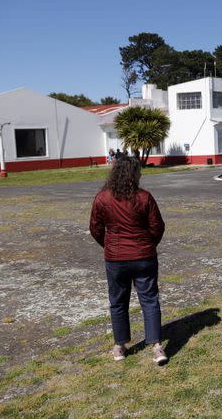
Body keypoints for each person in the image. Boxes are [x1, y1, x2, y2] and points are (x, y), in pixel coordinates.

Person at [89, 156, 168, 365]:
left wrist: (109, 247)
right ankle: (157, 347)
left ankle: (119, 346)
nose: (141, 175)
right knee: (149, 300)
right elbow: (157, 227)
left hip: (116, 259)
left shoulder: (102, 198)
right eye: (139, 172)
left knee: (118, 302)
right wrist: (148, 244)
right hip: (144, 256)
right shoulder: (144, 197)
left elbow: (95, 229)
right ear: (133, 175)